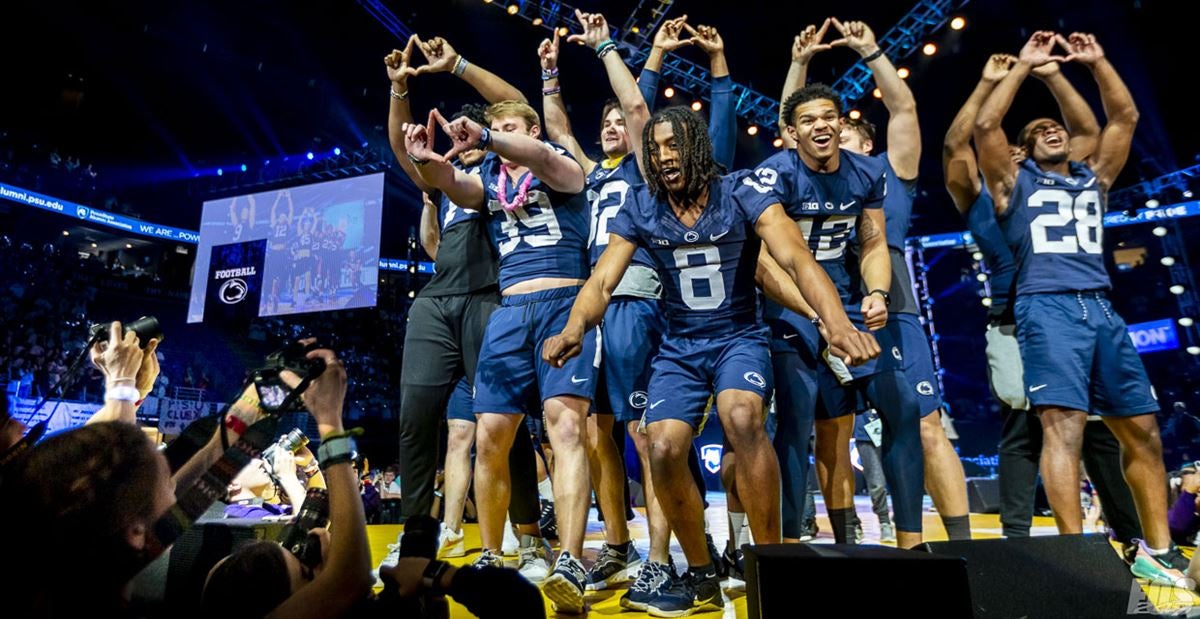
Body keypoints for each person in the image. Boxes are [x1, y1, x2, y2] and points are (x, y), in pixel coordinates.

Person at [543, 54, 878, 614]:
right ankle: (700, 571)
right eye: (654, 151)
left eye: (673, 147)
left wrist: (836, 322)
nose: (664, 158)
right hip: (679, 345)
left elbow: (795, 258)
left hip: (738, 336)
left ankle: (771, 565)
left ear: (697, 148)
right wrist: (575, 327)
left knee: (743, 416)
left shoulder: (744, 190)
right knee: (663, 445)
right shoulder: (642, 207)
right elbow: (603, 278)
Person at [974, 30, 1188, 587]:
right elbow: (984, 128)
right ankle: (1076, 551)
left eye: (1057, 128)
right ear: (1024, 150)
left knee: (1143, 431)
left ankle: (1158, 550)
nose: (1051, 129)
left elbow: (1124, 118)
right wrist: (1023, 67)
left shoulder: (1094, 180)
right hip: (1046, 309)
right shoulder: (1010, 183)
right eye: (1038, 130)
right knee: (1062, 430)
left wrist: (1093, 64)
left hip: (1102, 309)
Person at [538, 10, 739, 598]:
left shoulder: (649, 170)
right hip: (590, 302)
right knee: (597, 433)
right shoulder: (592, 174)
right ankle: (619, 545)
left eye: (617, 122)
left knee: (646, 435)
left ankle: (660, 556)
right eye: (601, 122)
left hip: (635, 299)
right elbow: (555, 128)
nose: (610, 126)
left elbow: (636, 108)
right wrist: (550, 75)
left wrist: (610, 49)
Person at [404, 90, 597, 611]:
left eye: (512, 127)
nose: (500, 138)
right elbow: (452, 183)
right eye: (496, 130)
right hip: (509, 313)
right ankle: (491, 553)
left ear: (530, 131)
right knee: (489, 436)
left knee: (565, 427)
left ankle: (572, 563)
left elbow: (543, 162)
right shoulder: (490, 182)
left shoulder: (562, 164)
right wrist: (427, 162)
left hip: (564, 302)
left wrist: (490, 135)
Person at [943, 52, 1144, 550]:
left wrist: (1054, 73)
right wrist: (988, 82)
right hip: (1013, 322)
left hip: (1069, 315)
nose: (1010, 154)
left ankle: (1130, 535)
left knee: (1097, 431)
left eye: (1019, 148)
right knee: (1024, 429)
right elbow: (955, 144)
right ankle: (1017, 536)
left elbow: (1095, 133)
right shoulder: (981, 198)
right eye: (1006, 149)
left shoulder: (1049, 185)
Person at [384, 34, 546, 579]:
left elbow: (516, 103)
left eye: (468, 131)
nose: (458, 138)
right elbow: (407, 154)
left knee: (503, 422)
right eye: (451, 132)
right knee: (414, 420)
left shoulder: (506, 179)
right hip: (437, 303)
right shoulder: (447, 183)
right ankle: (416, 538)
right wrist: (399, 91)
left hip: (489, 302)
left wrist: (457, 66)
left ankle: (529, 536)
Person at [202, 343, 376, 618]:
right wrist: (329, 421)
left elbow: (316, 504)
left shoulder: (260, 513)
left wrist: (308, 468)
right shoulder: (236, 518)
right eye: (307, 573)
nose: (260, 460)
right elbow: (349, 578)